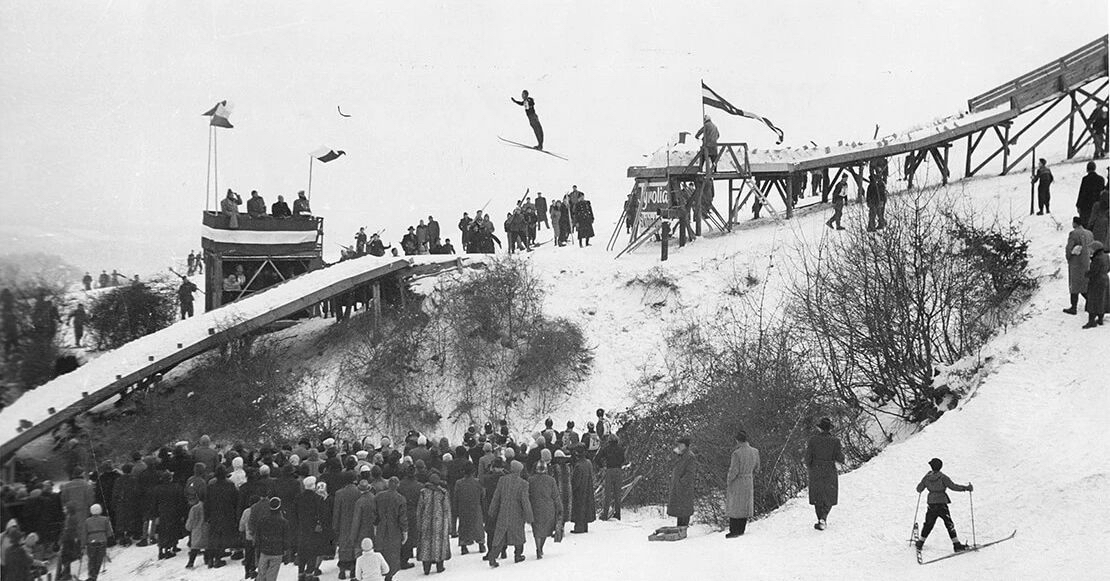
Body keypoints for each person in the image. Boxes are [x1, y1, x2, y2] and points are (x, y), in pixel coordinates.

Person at [914, 458, 973, 553]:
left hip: (931, 504)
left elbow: (919, 489)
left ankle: (920, 542)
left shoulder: (927, 477)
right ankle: (956, 545)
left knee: (928, 523)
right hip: (942, 503)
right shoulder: (943, 477)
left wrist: (925, 479)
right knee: (949, 524)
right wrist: (966, 488)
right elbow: (953, 486)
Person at [486, 460, 532, 568]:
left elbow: (496, 497)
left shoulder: (502, 480)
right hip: (517, 513)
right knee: (518, 535)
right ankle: (518, 555)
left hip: (503, 512)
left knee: (500, 536)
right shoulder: (523, 484)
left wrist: (492, 510)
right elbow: (525, 501)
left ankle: (493, 557)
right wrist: (529, 516)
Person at [806, 418, 845, 530]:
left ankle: (820, 519)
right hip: (829, 470)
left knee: (817, 496)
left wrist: (810, 466)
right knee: (829, 494)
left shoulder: (813, 440)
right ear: (829, 429)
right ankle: (824, 517)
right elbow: (840, 458)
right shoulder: (835, 441)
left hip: (816, 470)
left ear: (819, 428)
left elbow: (808, 457)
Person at [725, 430, 759, 538]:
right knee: (745, 505)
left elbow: (734, 470)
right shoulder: (755, 451)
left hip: (738, 481)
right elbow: (757, 468)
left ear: (737, 440)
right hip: (748, 480)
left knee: (735, 505)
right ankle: (741, 529)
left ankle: (734, 530)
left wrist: (729, 480)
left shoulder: (737, 453)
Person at [373, 477, 408, 580]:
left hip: (381, 528)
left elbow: (374, 514)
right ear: (398, 485)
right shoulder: (400, 498)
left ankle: (381, 573)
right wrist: (405, 532)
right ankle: (390, 575)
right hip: (394, 529)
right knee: (393, 553)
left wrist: (375, 527)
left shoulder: (378, 496)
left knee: (381, 551)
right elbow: (402, 518)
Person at [416, 472, 451, 574]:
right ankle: (440, 566)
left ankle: (426, 568)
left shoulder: (423, 492)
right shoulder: (443, 493)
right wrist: (449, 525)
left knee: (425, 543)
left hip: (426, 522)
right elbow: (446, 510)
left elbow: (419, 509)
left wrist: (419, 522)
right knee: (439, 543)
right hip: (440, 522)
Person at [527, 461, 561, 560]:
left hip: (535, 506)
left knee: (537, 529)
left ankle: (538, 548)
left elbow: (527, 494)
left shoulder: (530, 480)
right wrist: (559, 507)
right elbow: (556, 495)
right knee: (546, 529)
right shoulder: (551, 480)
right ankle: (541, 548)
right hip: (548, 507)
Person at [332, 474, 361, 579]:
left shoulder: (339, 493)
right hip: (356, 522)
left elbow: (336, 511)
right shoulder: (359, 492)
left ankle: (342, 570)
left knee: (343, 547)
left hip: (343, 523)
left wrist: (335, 526)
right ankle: (353, 569)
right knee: (354, 545)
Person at [1064, 217, 1095, 315]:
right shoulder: (1089, 233)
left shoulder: (1073, 233)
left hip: (1076, 262)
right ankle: (1091, 303)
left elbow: (1069, 248)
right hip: (1086, 262)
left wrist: (1068, 257)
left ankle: (1074, 307)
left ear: (1075, 223)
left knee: (1074, 285)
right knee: (1084, 284)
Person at [453, 462, 485, 555]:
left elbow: (456, 497)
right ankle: (481, 544)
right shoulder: (478, 482)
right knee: (478, 526)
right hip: (476, 507)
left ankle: (463, 545)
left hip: (463, 508)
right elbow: (483, 495)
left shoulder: (459, 483)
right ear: (473, 472)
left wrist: (455, 509)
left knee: (464, 526)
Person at [255, 497, 289, 581]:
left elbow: (258, 537)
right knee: (272, 575)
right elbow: (286, 538)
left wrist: (258, 550)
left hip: (264, 550)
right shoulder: (284, 522)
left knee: (261, 574)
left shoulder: (262, 520)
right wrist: (286, 550)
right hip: (277, 551)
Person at [667, 436, 696, 528]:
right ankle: (680, 529)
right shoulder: (680, 455)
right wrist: (675, 454)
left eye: (681, 444)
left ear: (685, 445)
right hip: (678, 486)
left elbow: (690, 473)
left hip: (684, 487)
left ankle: (683, 529)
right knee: (679, 510)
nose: (678, 446)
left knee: (685, 510)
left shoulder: (689, 456)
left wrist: (682, 482)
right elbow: (670, 463)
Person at [78, 503, 112, 581]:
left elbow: (84, 534)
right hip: (102, 541)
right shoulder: (105, 519)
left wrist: (82, 546)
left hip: (91, 542)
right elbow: (109, 532)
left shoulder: (87, 521)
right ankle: (94, 576)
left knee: (91, 560)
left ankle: (91, 575)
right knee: (98, 560)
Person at [596, 435, 626, 520]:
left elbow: (597, 459)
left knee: (607, 494)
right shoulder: (620, 449)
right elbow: (624, 460)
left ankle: (605, 514)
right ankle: (618, 514)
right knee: (617, 494)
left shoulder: (606, 449)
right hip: (618, 471)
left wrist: (602, 466)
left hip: (609, 471)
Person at [569, 448, 595, 534]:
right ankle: (585, 526)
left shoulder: (578, 466)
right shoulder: (588, 463)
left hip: (580, 490)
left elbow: (576, 481)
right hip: (588, 488)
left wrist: (572, 488)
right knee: (586, 507)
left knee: (579, 508)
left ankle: (579, 527)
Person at [1084, 240, 1109, 329]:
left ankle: (1091, 321)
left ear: (1096, 249)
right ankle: (1100, 319)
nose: (1090, 251)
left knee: (1093, 301)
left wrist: (1086, 274)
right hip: (1105, 280)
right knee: (1102, 299)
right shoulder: (1106, 256)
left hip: (1096, 282)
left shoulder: (1097, 259)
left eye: (1091, 249)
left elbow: (1093, 271)